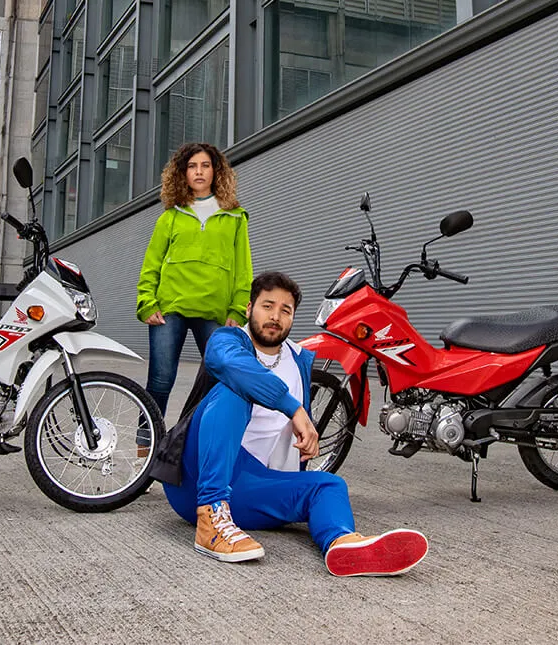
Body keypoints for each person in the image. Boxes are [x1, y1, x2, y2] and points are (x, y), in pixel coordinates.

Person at [161, 271, 429, 577]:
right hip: (193, 481)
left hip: (251, 485)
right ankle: (211, 519)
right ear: (249, 309)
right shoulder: (228, 340)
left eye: (285, 310)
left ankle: (342, 544)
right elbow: (231, 366)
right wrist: (295, 409)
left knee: (329, 485)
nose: (275, 316)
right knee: (234, 391)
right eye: (267, 306)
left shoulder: (300, 360)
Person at [136, 142, 251, 418]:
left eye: (205, 165)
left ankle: (190, 442)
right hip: (169, 310)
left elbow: (243, 269)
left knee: (216, 382)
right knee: (160, 382)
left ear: (216, 172)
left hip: (214, 310)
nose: (198, 172)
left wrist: (238, 309)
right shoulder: (170, 217)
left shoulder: (235, 217)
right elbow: (151, 264)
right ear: (183, 173)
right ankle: (145, 450)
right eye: (192, 166)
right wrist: (147, 302)